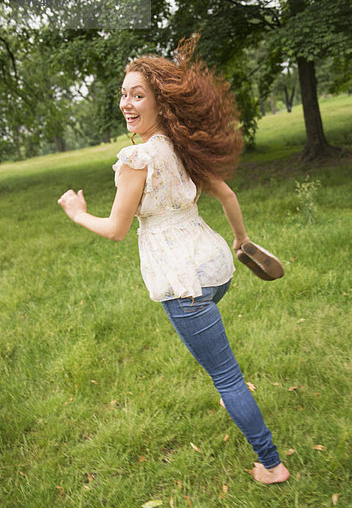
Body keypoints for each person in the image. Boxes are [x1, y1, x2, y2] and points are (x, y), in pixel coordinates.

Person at [57, 36, 289, 485]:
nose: (127, 102)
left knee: (226, 376)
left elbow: (117, 229)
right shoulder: (182, 144)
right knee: (219, 349)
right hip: (216, 266)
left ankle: (271, 463)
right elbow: (226, 194)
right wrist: (242, 241)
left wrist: (79, 213)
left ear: (160, 102)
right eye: (124, 93)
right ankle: (233, 391)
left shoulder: (137, 157)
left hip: (183, 282)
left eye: (138, 94)